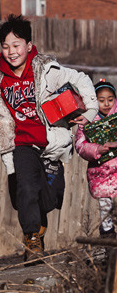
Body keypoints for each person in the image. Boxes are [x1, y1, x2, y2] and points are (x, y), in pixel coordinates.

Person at [0, 14, 98, 262]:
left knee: (50, 199)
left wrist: (91, 110)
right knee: (26, 189)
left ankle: (39, 222)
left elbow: (81, 79)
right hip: (21, 144)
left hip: (51, 142)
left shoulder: (47, 70)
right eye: (6, 46)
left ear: (29, 46)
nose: (11, 52)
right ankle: (32, 239)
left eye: (16, 45)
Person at [75, 80, 117, 240]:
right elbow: (80, 144)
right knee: (105, 203)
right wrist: (97, 149)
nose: (106, 103)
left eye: (110, 99)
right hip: (101, 170)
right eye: (101, 100)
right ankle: (108, 234)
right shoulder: (87, 120)